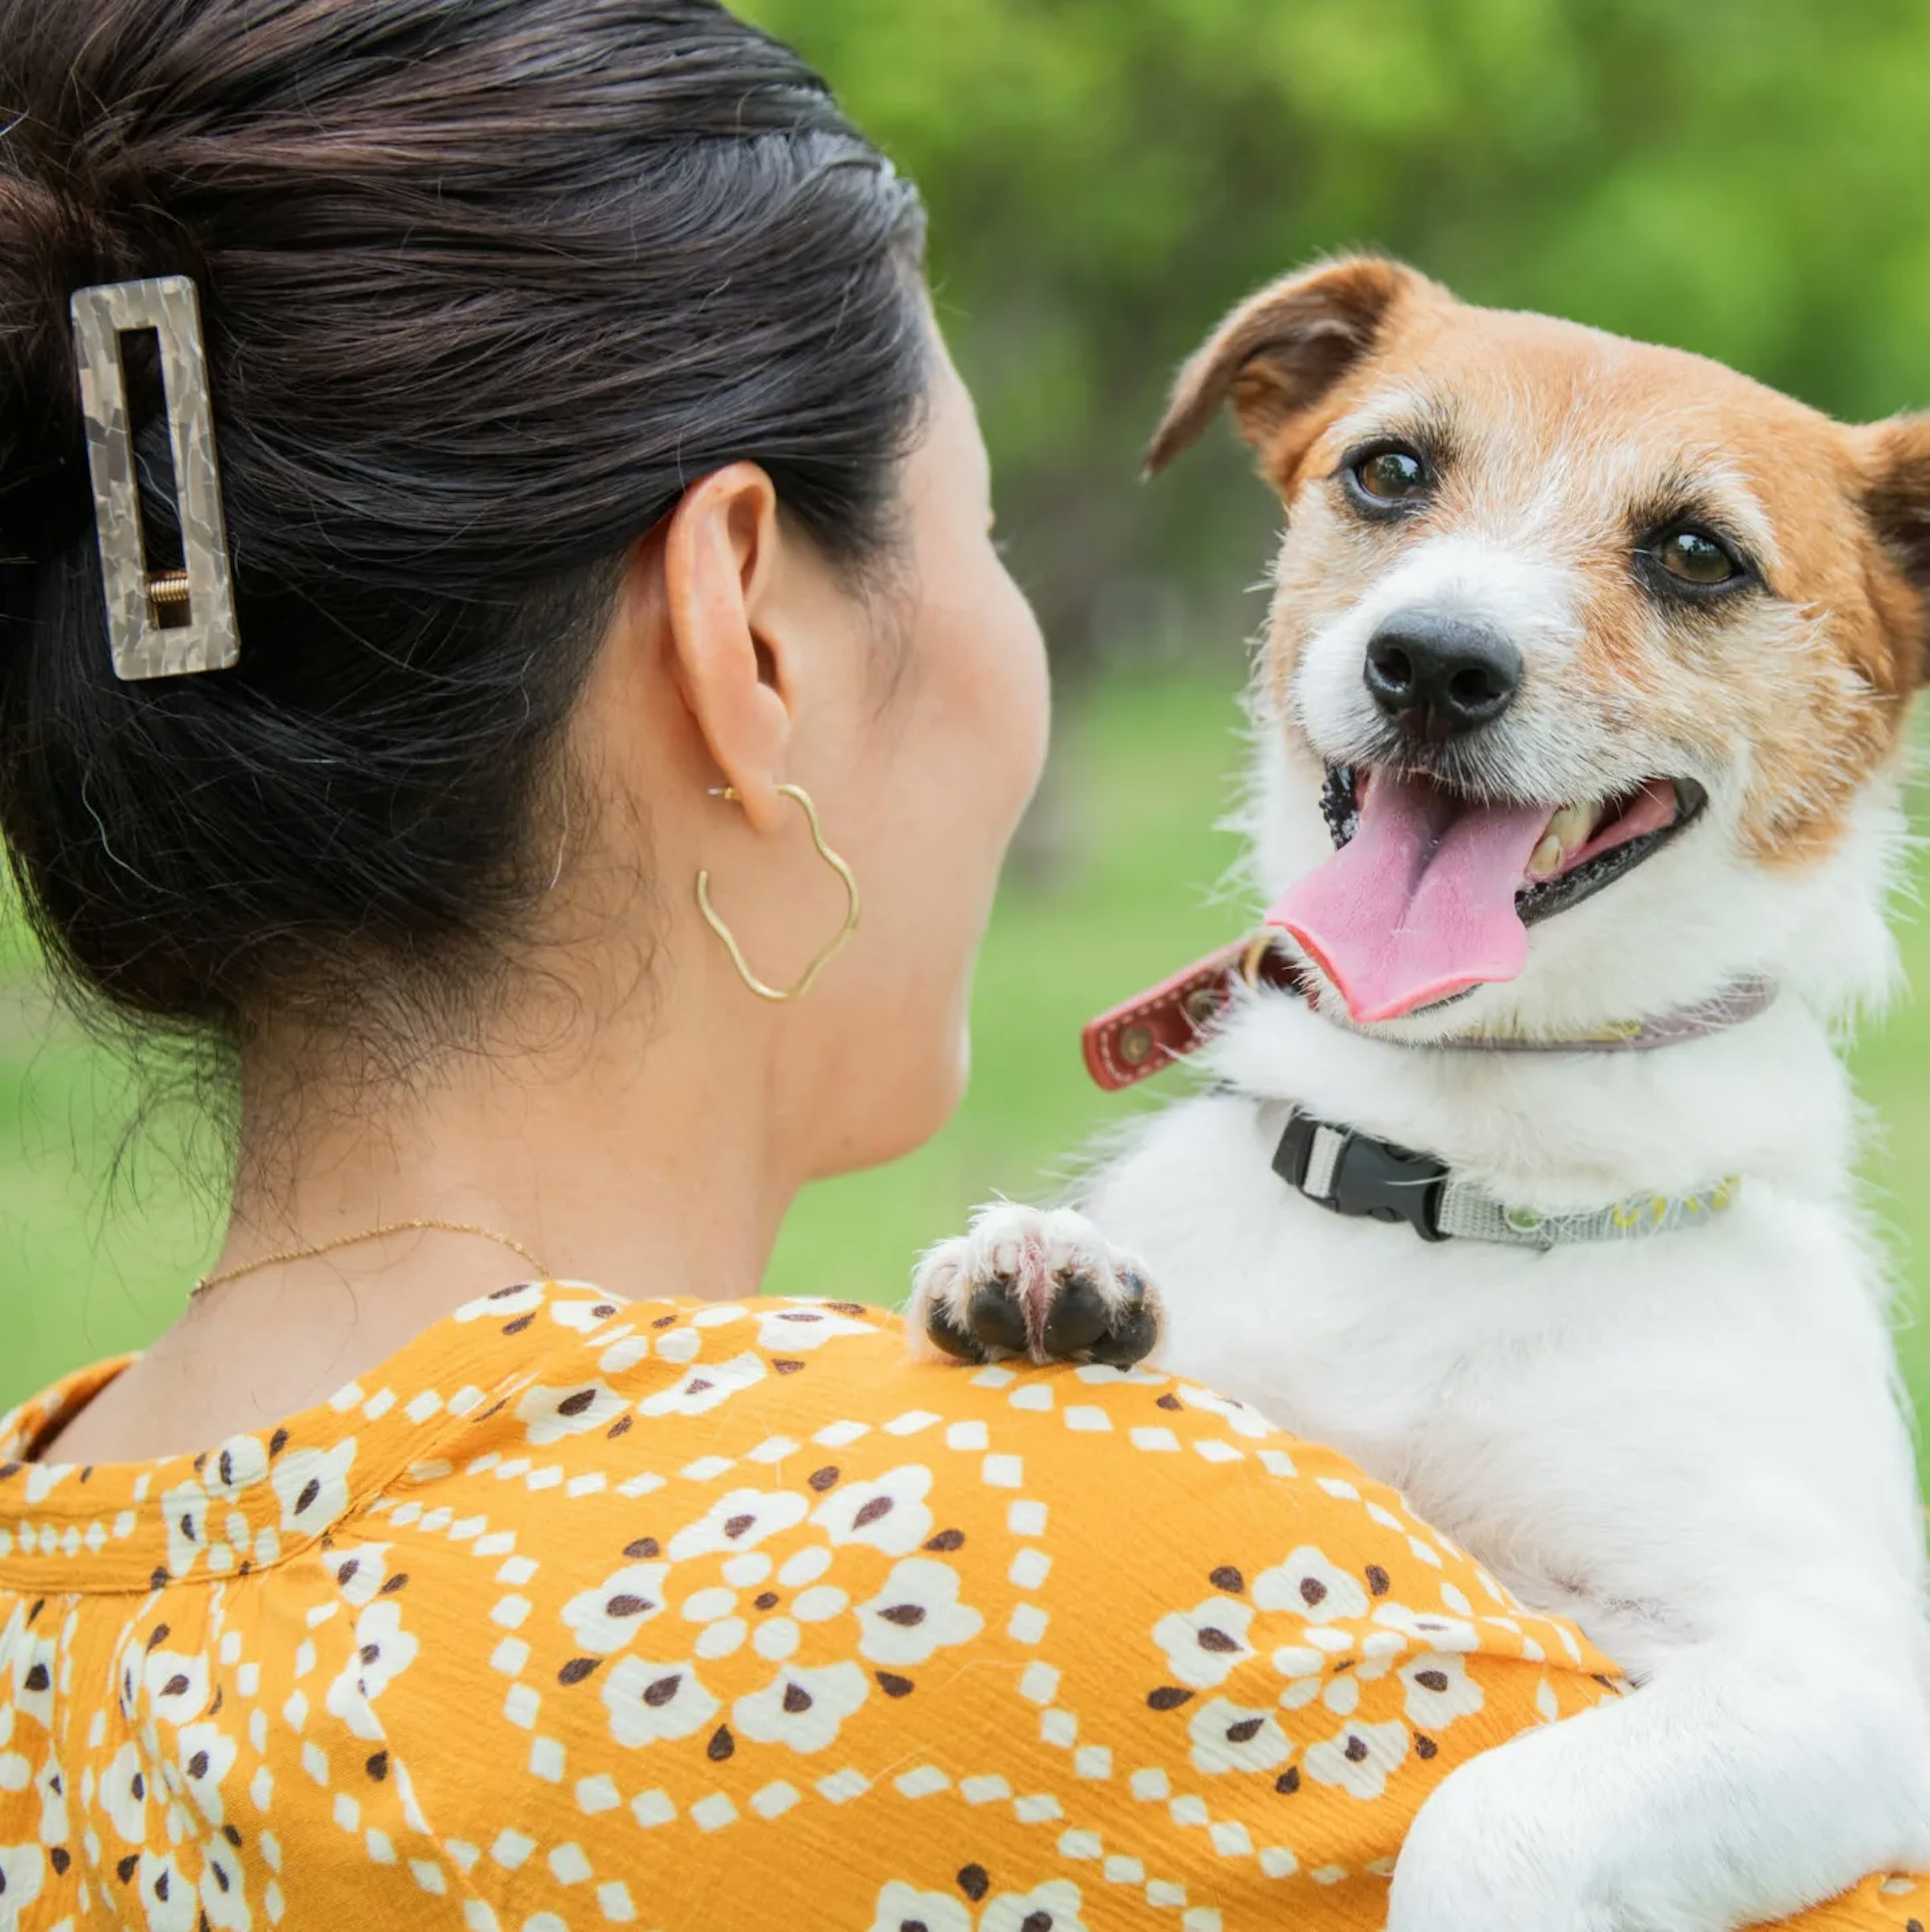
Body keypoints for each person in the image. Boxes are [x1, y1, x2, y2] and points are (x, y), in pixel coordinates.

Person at [0, 3, 1918, 1926]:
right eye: (988, 533)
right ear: (741, 628)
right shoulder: (1031, 1566)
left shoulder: (48, 1602)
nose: (1448, 627)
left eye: (1686, 557)